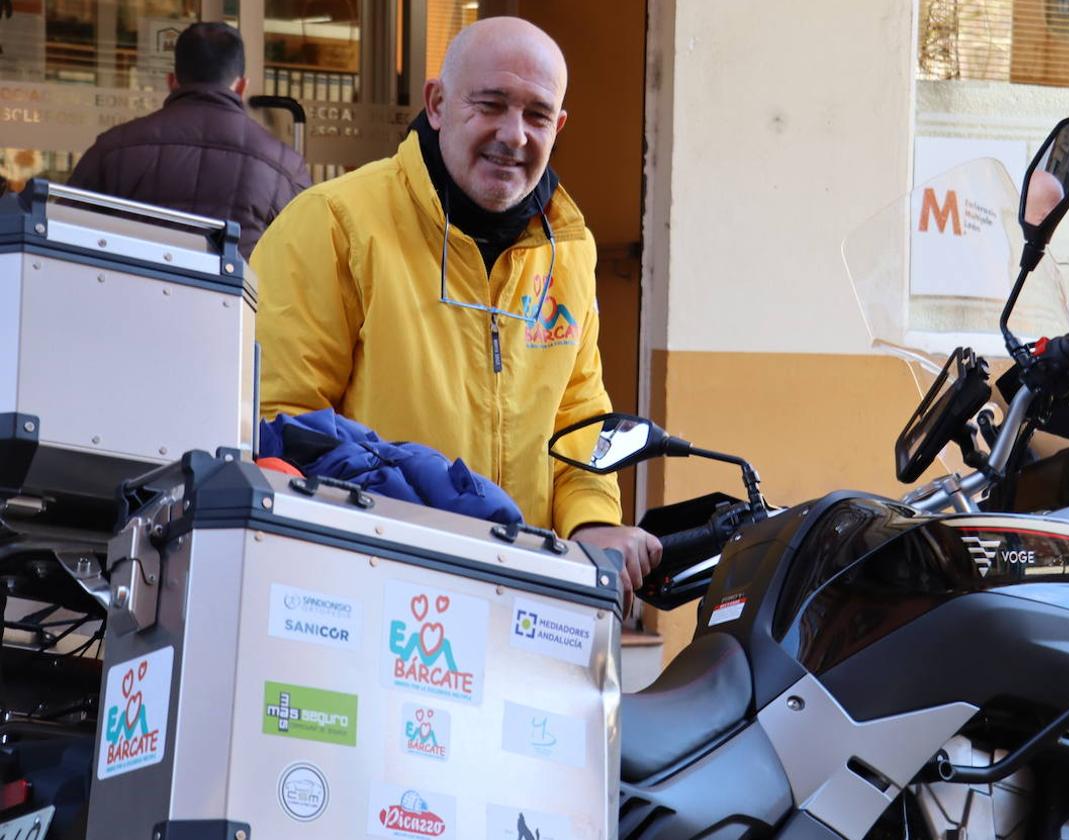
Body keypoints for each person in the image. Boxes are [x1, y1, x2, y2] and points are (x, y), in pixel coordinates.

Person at [251, 17, 661, 607]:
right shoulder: (335, 224)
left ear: (559, 126)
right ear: (438, 104)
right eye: (491, 104)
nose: (514, 134)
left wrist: (591, 524)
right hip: (367, 594)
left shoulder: (569, 249)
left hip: (523, 600)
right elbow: (280, 426)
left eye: (537, 115)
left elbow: (580, 418)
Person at [68, 22, 310, 259]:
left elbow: (64, 230)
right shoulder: (284, 166)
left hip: (127, 294)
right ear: (241, 86)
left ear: (172, 81)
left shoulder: (114, 148)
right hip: (239, 299)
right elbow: (305, 256)